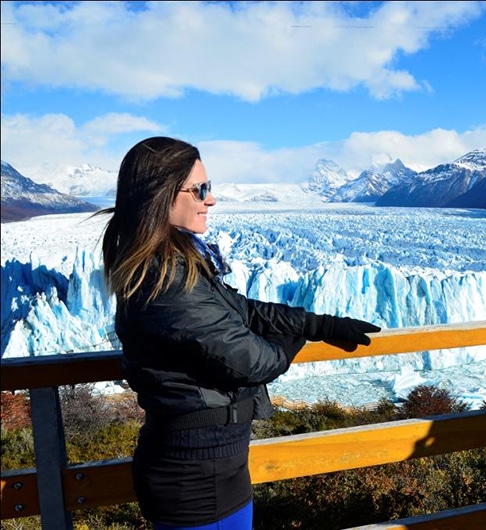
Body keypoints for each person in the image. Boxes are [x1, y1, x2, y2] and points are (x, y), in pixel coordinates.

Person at [98, 136, 380, 529]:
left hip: (217, 464)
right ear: (161, 196)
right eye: (200, 190)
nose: (210, 200)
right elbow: (255, 361)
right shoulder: (164, 284)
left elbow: (242, 310)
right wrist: (296, 338)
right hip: (194, 479)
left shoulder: (179, 262)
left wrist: (316, 323)